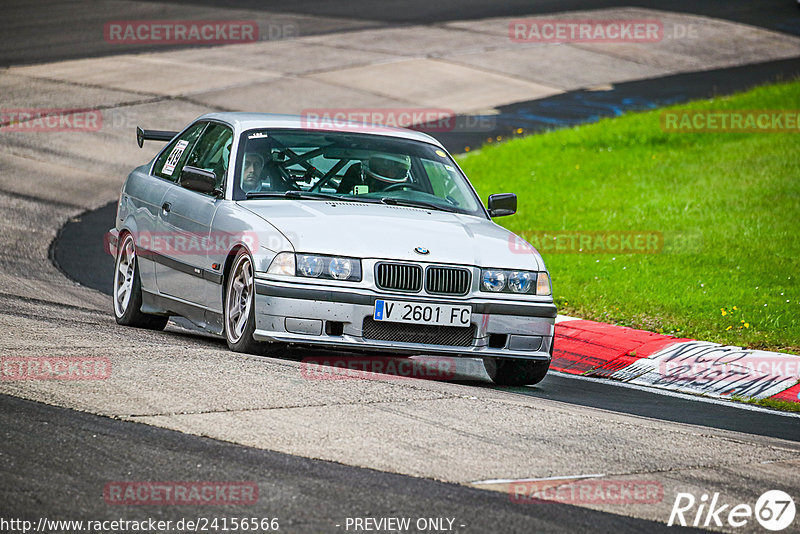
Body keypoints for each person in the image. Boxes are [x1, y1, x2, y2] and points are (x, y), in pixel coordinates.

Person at [336, 153, 411, 194]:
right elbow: (341, 194)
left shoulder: (401, 186)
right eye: (383, 169)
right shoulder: (357, 171)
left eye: (393, 171)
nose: (388, 173)